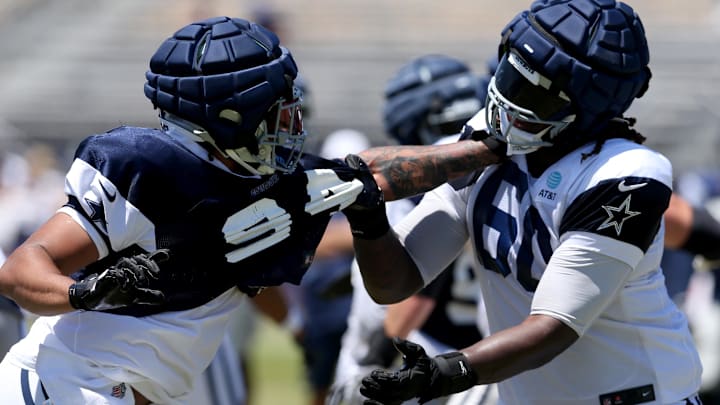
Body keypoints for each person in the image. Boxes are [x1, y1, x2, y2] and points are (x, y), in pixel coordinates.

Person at [351, 1, 704, 404]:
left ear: (585, 104)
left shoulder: (624, 174)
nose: (509, 99)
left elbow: (553, 327)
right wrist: (368, 218)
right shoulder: (486, 139)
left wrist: (447, 372)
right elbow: (396, 281)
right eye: (510, 72)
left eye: (535, 92)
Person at [328, 54, 494, 405]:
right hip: (493, 360)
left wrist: (366, 364)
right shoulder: (502, 168)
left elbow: (400, 309)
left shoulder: (428, 175)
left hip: (427, 364)